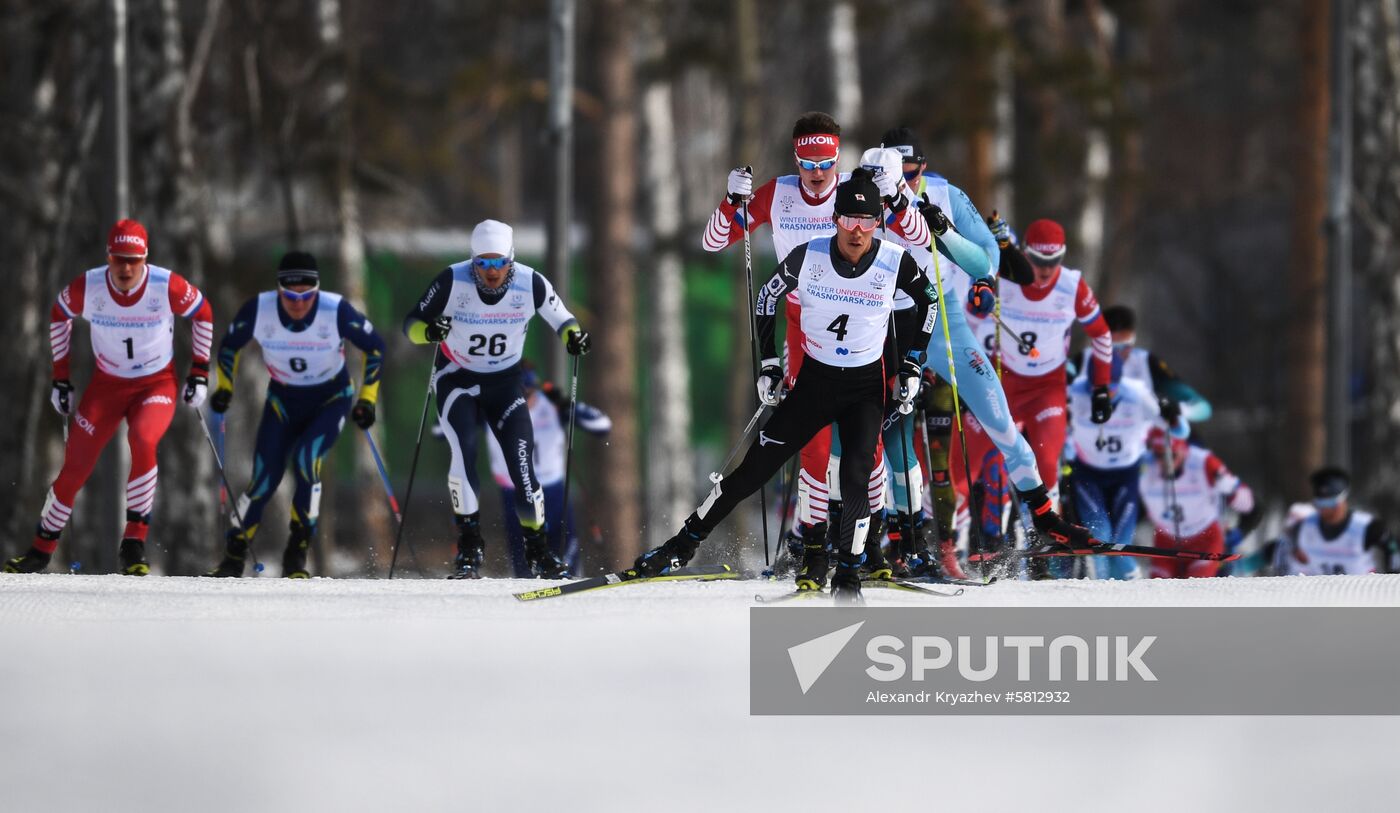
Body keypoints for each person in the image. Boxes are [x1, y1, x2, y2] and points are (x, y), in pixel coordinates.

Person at [635, 170, 935, 604]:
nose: (856, 230)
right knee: (754, 469)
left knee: (856, 474)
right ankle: (680, 546)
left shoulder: (893, 260)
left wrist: (912, 361)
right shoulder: (809, 255)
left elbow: (928, 298)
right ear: (834, 219)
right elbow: (765, 298)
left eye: (867, 221)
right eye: (848, 219)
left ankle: (849, 573)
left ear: (877, 222)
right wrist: (771, 364)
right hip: (815, 383)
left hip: (865, 390)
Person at [704, 113, 930, 573]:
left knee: (868, 448)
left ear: (837, 158)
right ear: (796, 158)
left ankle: (870, 542)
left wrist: (897, 194)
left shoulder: (856, 189)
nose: (818, 172)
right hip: (801, 323)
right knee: (811, 441)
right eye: (808, 162)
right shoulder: (779, 192)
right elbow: (713, 242)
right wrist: (731, 202)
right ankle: (812, 543)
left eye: (826, 161)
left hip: (866, 324)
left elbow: (920, 237)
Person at [873, 131, 1089, 572]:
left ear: (920, 168)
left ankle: (1044, 516)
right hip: (883, 324)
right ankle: (901, 539)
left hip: (944, 321)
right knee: (889, 435)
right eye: (896, 180)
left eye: (912, 176)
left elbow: (987, 255)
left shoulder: (945, 194)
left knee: (998, 417)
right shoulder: (864, 195)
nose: (904, 188)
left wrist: (957, 248)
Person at [5, 219, 214, 575]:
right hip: (108, 385)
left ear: (145, 258)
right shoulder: (90, 286)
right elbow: (59, 314)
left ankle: (134, 543)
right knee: (75, 465)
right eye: (119, 259)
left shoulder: (165, 286)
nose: (126, 268)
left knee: (143, 438)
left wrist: (198, 371)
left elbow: (203, 313)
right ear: (108, 257)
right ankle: (40, 550)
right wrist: (61, 380)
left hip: (155, 383)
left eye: (134, 259)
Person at [402, 219, 589, 580]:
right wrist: (429, 332)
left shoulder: (530, 282)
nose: (491, 272)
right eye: (482, 263)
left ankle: (539, 551)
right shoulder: (451, 280)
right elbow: (411, 325)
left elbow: (564, 319)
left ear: (511, 260)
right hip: (457, 379)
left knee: (522, 466)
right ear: (472, 261)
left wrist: (574, 337)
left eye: (498, 262)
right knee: (464, 451)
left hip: (505, 384)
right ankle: (470, 548)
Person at [204, 251, 385, 578]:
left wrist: (367, 399)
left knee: (306, 461)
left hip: (331, 398)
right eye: (289, 295)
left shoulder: (335, 310)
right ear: (279, 290)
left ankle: (296, 557)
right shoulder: (260, 310)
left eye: (306, 295)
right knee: (262, 481)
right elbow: (229, 346)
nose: (298, 303)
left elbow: (375, 347)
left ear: (317, 291)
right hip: (283, 401)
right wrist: (225, 388)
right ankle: (232, 558)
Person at [957, 218, 1114, 555]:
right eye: (1039, 262)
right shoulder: (1006, 276)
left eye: (1053, 262)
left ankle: (1048, 536)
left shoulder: (1072, 286)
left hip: (1048, 387)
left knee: (1046, 458)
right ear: (1024, 253)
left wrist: (1102, 388)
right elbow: (969, 313)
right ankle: (944, 538)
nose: (1045, 271)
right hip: (1006, 382)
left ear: (1063, 257)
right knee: (964, 458)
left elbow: (1101, 334)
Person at [482, 365, 611, 577]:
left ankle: (570, 590)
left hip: (553, 490)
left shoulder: (550, 406)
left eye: (528, 393)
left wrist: (566, 405)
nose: (524, 400)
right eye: (518, 394)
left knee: (566, 555)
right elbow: (443, 428)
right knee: (524, 561)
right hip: (515, 492)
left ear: (535, 389)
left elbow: (601, 425)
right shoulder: (494, 405)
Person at [1063, 361, 1170, 580]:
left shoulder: (1137, 393)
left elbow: (1175, 427)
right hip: (1087, 474)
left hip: (1125, 476)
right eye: (1096, 387)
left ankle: (1133, 595)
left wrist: (1171, 412)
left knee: (1120, 547)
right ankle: (1098, 595)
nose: (1104, 393)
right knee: (1099, 537)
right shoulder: (1075, 392)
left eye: (1110, 386)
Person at [1138, 423, 1255, 578]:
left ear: (1183, 450)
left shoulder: (1203, 462)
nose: (1165, 462)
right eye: (1159, 455)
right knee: (1158, 591)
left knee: (1195, 587)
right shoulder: (1145, 465)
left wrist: (1231, 491)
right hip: (1166, 541)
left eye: (1171, 455)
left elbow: (1249, 504)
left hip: (1205, 540)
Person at [1072, 305, 1212, 423]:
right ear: (1097, 343)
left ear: (1133, 341)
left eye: (1124, 346)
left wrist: (1180, 410)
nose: (1116, 355)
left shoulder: (1147, 363)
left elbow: (1203, 407)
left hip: (1138, 445)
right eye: (1110, 348)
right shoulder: (1083, 360)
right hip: (1088, 439)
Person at [1276, 467, 1396, 575]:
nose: (1324, 509)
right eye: (1320, 503)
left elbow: (1394, 550)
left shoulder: (1367, 527)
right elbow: (1273, 551)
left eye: (1330, 503)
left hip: (1360, 595)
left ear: (1343, 500)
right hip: (1318, 596)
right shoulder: (1303, 527)